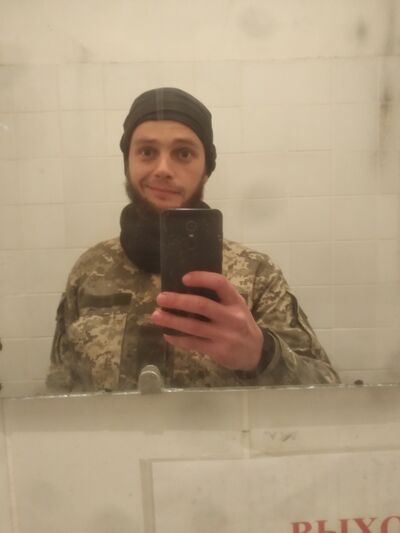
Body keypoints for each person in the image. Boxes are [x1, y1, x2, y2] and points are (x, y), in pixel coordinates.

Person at [47, 87, 340, 392]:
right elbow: (58, 393)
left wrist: (262, 355)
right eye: (147, 152)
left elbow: (328, 391)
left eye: (183, 153)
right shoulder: (89, 271)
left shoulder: (257, 275)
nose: (163, 169)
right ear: (127, 162)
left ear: (206, 170)